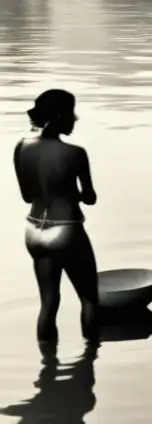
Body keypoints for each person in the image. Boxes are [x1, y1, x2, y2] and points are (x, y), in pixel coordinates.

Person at [14, 90, 99, 343]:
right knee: (89, 300)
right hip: (67, 229)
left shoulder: (21, 147)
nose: (75, 119)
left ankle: (47, 369)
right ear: (60, 116)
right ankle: (89, 362)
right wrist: (75, 194)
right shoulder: (75, 153)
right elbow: (91, 197)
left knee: (49, 303)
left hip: (34, 231)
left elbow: (28, 196)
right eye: (72, 113)